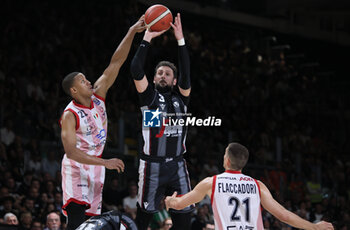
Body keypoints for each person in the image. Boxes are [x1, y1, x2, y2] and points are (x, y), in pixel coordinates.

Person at [59, 16, 146, 230]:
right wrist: (106, 162)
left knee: (91, 225)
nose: (88, 80)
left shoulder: (99, 95)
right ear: (74, 90)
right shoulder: (70, 114)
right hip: (76, 166)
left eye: (86, 77)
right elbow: (71, 152)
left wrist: (132, 31)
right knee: (77, 221)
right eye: (82, 80)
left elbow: (116, 62)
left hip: (96, 167)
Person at [165, 143, 334, 230]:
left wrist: (170, 200)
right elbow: (284, 216)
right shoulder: (257, 185)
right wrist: (314, 226)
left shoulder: (211, 182)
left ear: (227, 160)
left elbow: (180, 204)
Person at [130, 13, 192, 230]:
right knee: (143, 220)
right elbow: (136, 69)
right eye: (159, 73)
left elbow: (186, 76)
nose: (163, 76)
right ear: (154, 78)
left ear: (174, 81)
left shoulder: (181, 98)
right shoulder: (149, 97)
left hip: (177, 165)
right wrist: (147, 37)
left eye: (167, 74)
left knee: (184, 221)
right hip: (152, 165)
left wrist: (181, 41)